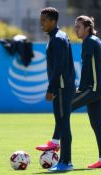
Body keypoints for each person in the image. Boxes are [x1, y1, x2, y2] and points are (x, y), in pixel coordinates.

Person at [38, 7, 76, 171]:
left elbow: (59, 66)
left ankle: (66, 162)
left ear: (53, 21)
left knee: (63, 124)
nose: (41, 23)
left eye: (44, 20)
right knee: (62, 123)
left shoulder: (58, 39)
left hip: (61, 88)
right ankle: (62, 158)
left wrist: (51, 88)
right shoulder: (58, 37)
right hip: (62, 87)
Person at [72, 15, 101, 169]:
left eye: (78, 26)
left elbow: (86, 66)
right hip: (99, 87)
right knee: (97, 125)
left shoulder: (88, 42)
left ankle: (55, 143)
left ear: (87, 28)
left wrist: (80, 87)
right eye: (75, 26)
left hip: (92, 88)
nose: (76, 29)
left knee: (64, 108)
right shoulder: (96, 40)